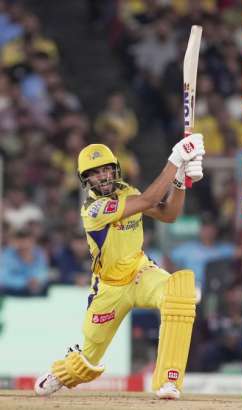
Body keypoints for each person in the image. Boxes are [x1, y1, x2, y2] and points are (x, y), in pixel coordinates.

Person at [33, 134, 205, 400]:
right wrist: (176, 159)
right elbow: (149, 201)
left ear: (115, 169)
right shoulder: (94, 209)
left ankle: (168, 381)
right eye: (94, 173)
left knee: (179, 293)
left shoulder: (127, 191)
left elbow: (168, 215)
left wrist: (180, 181)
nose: (102, 177)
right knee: (88, 358)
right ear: (85, 180)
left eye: (106, 170)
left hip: (141, 273)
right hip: (110, 288)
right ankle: (62, 372)